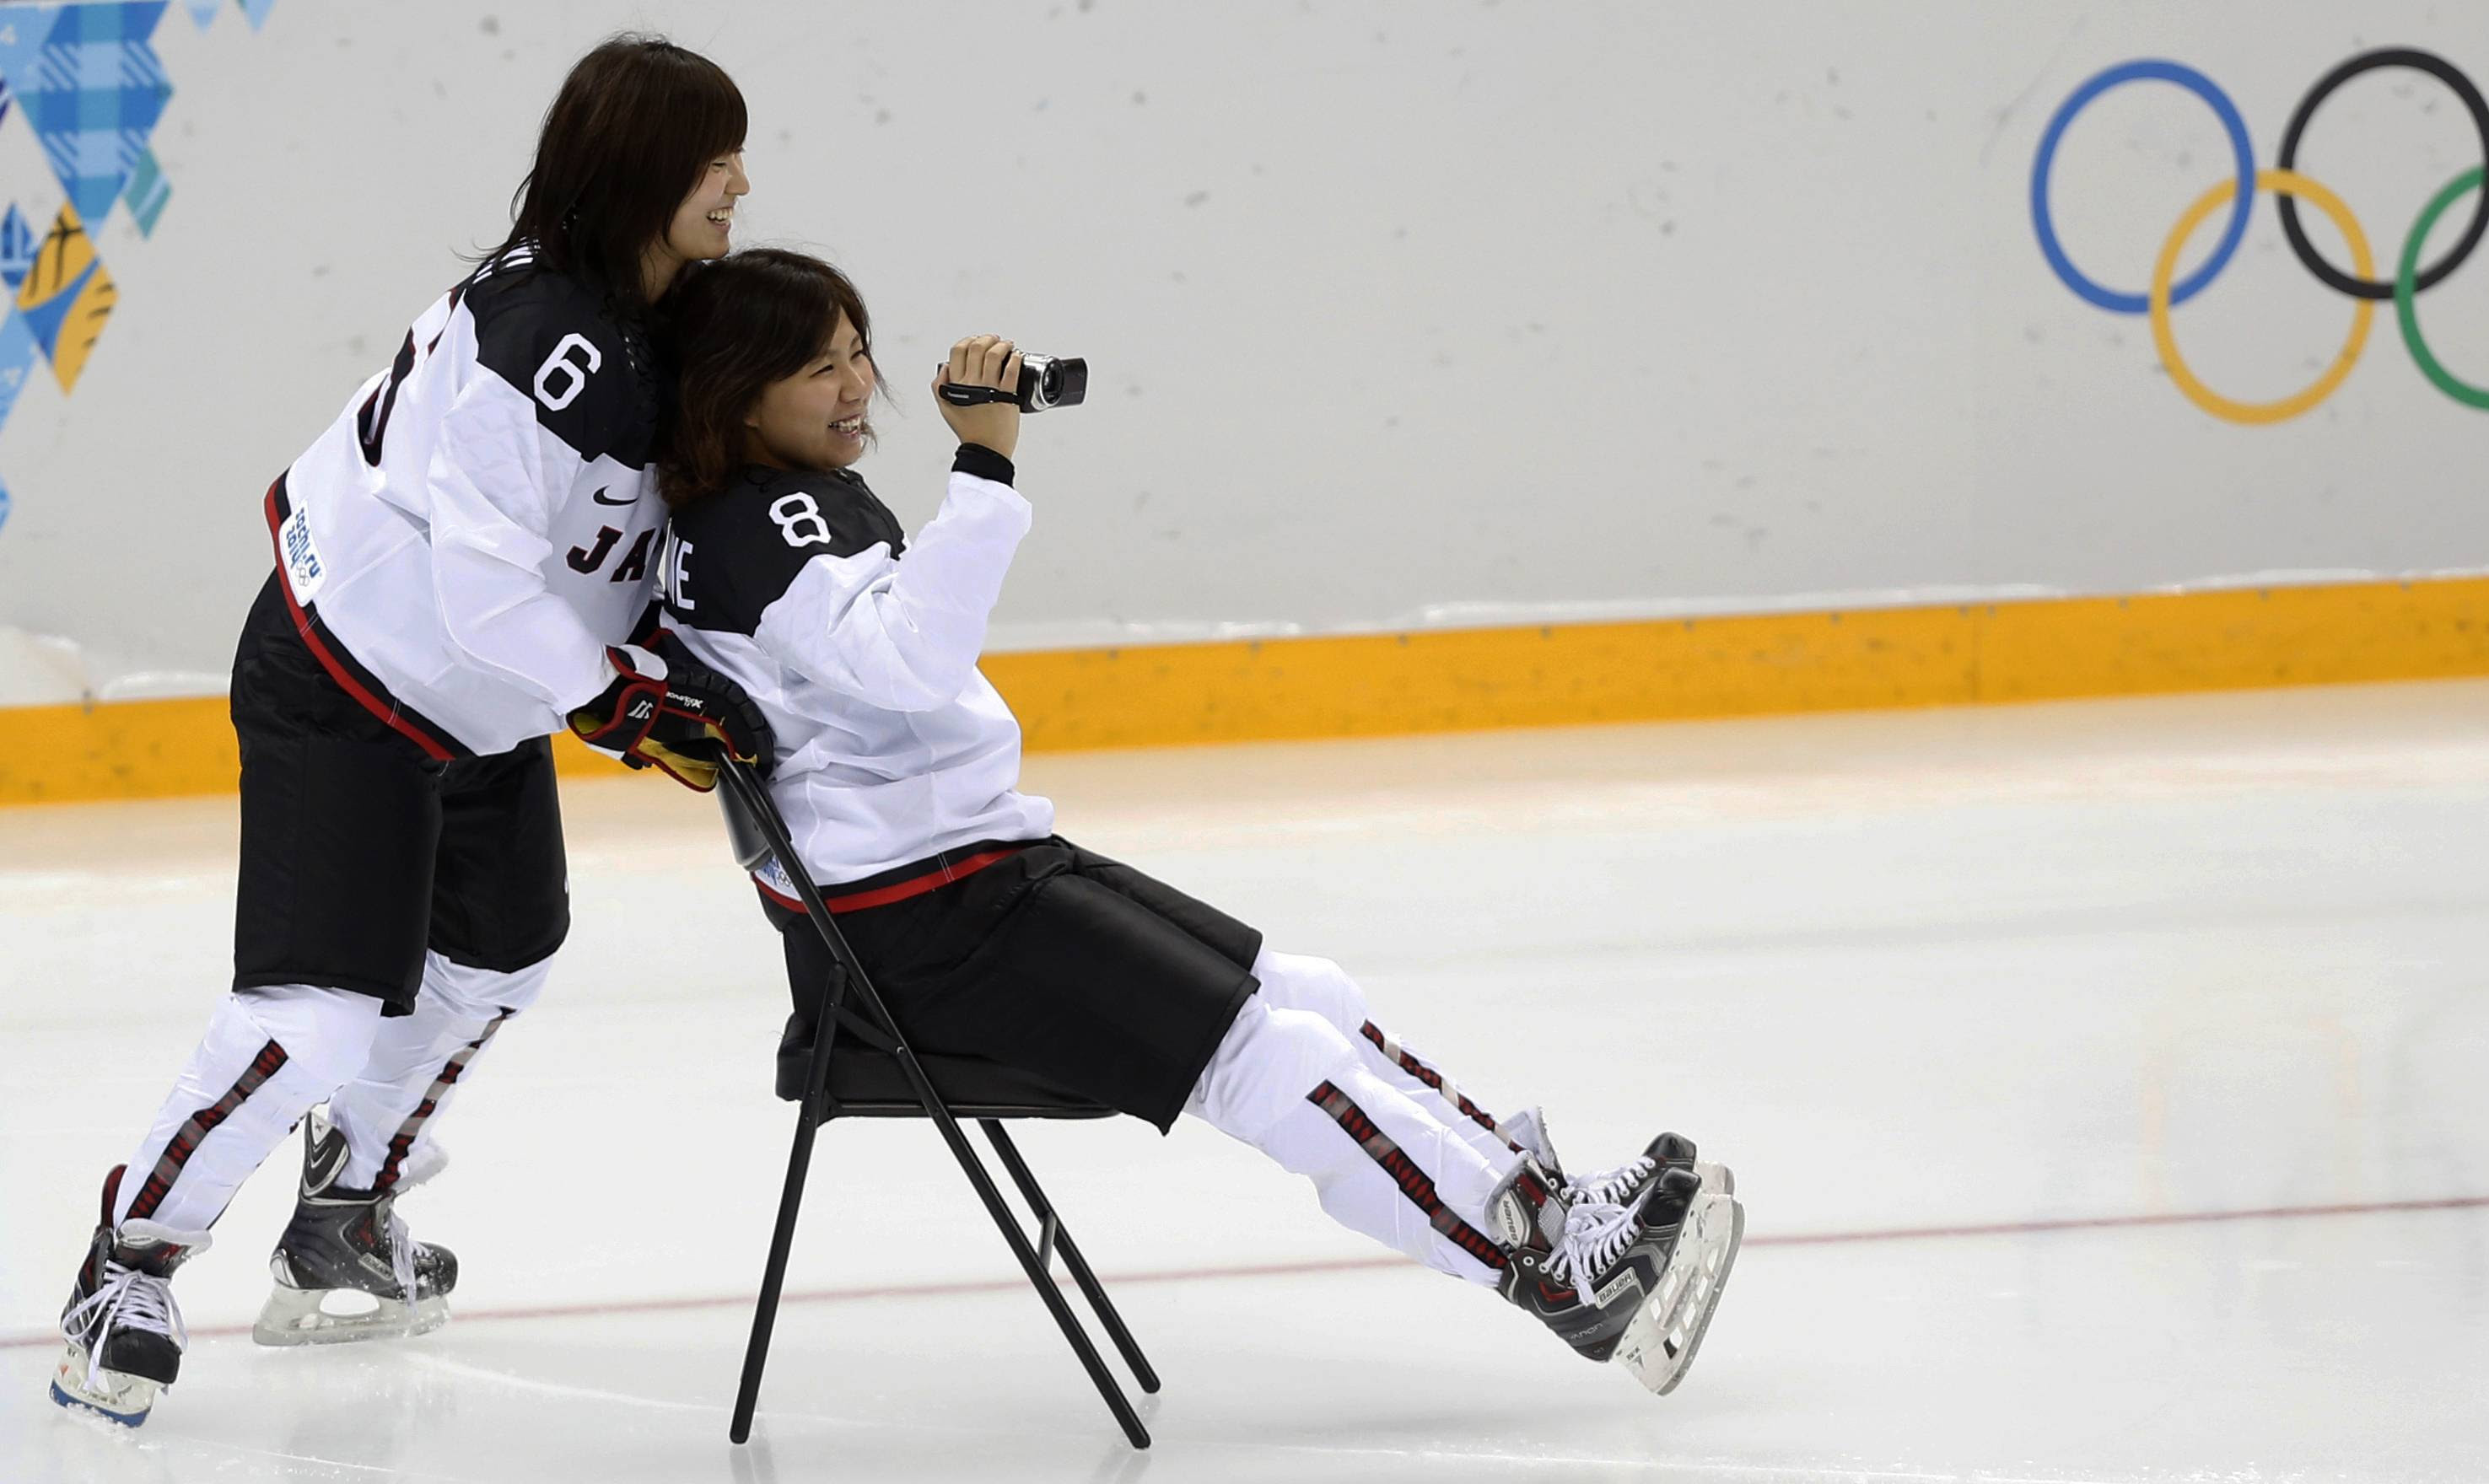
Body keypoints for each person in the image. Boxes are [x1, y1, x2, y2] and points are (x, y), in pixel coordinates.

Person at [650, 250, 1745, 1395]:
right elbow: (915, 664)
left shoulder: (765, 507)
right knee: (1275, 1058)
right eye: (818, 367)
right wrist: (984, 459)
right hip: (923, 926)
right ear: (734, 395)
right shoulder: (762, 525)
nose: (856, 385)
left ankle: (1543, 1203)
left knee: (1308, 993)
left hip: (967, 875)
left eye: (856, 351)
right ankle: (1552, 1275)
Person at [51, 37, 770, 1427]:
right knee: (314, 1021)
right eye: (712, 155)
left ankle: (344, 1207)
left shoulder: (649, 308)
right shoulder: (541, 343)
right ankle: (127, 1260)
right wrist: (621, 699)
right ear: (635, 173)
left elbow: (610, 551)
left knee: (503, 955)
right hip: (352, 678)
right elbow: (488, 586)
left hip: (480, 696)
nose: (741, 180)